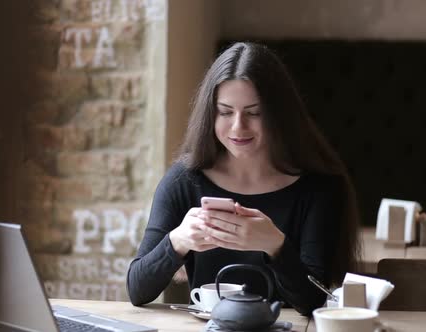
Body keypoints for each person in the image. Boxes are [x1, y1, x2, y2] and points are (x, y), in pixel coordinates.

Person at [126, 42, 361, 316]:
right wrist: (177, 240)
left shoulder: (319, 187)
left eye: (254, 113)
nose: (238, 127)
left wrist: (275, 245)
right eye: (225, 112)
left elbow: (312, 302)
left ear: (279, 114)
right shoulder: (184, 180)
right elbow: (137, 290)